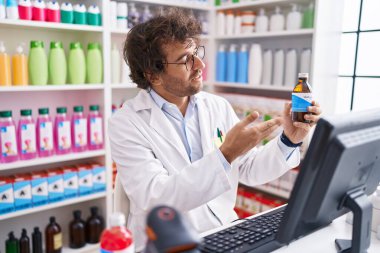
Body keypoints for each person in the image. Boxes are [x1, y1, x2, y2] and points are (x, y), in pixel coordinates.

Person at [108, 8, 322, 251]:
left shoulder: (216, 105)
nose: (200, 64)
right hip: (167, 243)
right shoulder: (126, 123)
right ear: (153, 75)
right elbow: (157, 198)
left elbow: (249, 170)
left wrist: (289, 140)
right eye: (185, 59)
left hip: (224, 232)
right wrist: (225, 155)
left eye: (196, 52)